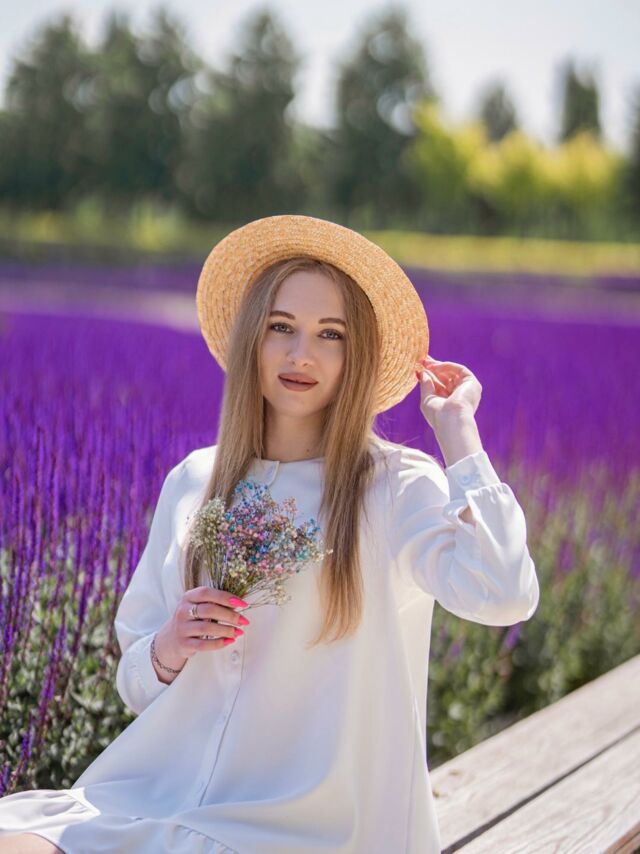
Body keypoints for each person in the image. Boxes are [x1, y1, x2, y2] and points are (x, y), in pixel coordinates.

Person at [0, 214, 540, 854]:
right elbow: (136, 682)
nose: (300, 354)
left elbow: (504, 594)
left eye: (330, 334)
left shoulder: (394, 486)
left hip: (307, 829)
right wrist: (172, 645)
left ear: (357, 354)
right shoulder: (195, 480)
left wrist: (459, 436)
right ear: (252, 338)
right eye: (281, 326)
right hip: (162, 794)